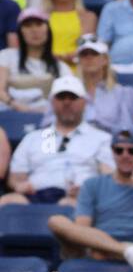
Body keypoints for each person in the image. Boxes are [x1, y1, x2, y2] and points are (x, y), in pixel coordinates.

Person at [46, 127, 133, 272]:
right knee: (55, 221)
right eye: (119, 150)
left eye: (132, 151)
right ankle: (127, 251)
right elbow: (81, 228)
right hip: (100, 246)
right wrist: (100, 248)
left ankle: (129, 252)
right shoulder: (93, 184)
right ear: (112, 152)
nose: (125, 156)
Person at [1, 74, 109, 206]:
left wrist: (90, 190)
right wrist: (19, 186)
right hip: (36, 195)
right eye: (61, 97)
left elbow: (109, 177)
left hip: (79, 198)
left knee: (71, 204)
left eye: (73, 97)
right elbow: (16, 179)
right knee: (7, 201)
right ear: (52, 102)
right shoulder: (33, 138)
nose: (67, 102)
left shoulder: (101, 138)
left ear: (84, 102)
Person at [52, 35, 133, 134]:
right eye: (84, 54)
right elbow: (49, 122)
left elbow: (126, 126)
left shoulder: (121, 93)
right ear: (79, 60)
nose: (89, 58)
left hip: (109, 142)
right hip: (73, 141)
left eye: (94, 54)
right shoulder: (65, 91)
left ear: (105, 59)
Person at [0, 7, 67, 112]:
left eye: (39, 24)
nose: (34, 30)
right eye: (28, 25)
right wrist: (17, 106)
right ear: (20, 32)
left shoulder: (61, 67)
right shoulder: (6, 56)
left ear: (48, 29)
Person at [41, 0, 96, 66]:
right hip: (48, 67)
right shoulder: (41, 16)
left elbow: (85, 47)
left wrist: (66, 57)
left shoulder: (88, 17)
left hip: (78, 70)